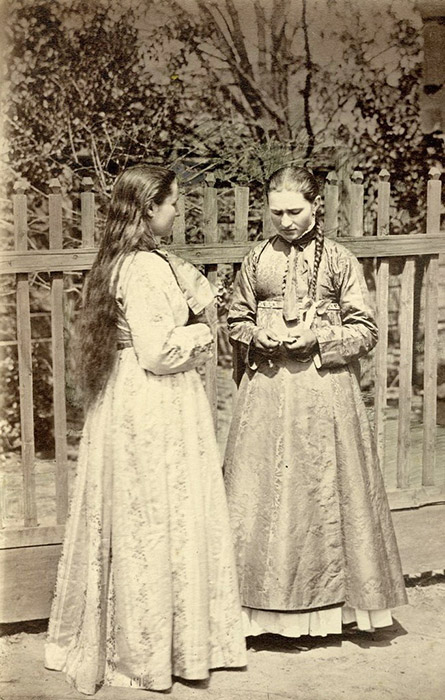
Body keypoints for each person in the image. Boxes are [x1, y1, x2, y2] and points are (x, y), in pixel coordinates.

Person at [45, 164, 246, 694]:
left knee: (136, 516)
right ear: (148, 208)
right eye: (173, 202)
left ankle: (139, 639)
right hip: (155, 402)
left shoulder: (117, 262)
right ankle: (154, 651)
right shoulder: (147, 269)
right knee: (159, 515)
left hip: (124, 396)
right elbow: (159, 353)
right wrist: (204, 328)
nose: (177, 211)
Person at [224, 165, 407, 639]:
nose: (285, 221)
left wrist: (320, 336)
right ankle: (261, 613)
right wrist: (256, 335)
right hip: (267, 396)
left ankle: (336, 612)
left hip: (325, 395)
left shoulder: (341, 261)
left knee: (326, 494)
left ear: (315, 205)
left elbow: (365, 330)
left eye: (295, 211)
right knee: (264, 496)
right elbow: (236, 319)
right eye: (276, 212)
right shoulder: (256, 258)